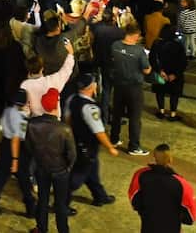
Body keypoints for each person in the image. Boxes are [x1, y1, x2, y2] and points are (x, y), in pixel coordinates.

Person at [25, 88, 76, 233]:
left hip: (42, 168)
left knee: (42, 200)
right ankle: (63, 230)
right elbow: (72, 154)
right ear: (56, 105)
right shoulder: (64, 129)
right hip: (60, 171)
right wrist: (67, 168)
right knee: (60, 204)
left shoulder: (32, 125)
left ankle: (41, 228)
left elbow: (29, 147)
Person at [66, 73, 117, 208]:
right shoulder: (90, 108)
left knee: (92, 170)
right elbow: (98, 131)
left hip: (76, 143)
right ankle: (62, 202)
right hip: (87, 147)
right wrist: (110, 147)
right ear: (92, 87)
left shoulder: (72, 99)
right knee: (77, 177)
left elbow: (68, 120)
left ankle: (100, 196)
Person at [0, 89, 35, 218]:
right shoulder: (21, 118)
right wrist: (15, 160)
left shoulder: (7, 110)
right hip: (17, 150)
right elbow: (16, 140)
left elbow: (1, 127)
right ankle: (31, 209)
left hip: (4, 145)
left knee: (0, 178)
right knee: (24, 180)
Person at [127, 144, 196, 233]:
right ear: (170, 160)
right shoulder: (182, 184)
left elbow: (133, 197)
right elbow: (191, 213)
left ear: (154, 157)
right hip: (171, 225)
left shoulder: (141, 174)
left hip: (148, 221)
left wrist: (142, 211)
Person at [107, 22, 150, 156]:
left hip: (119, 85)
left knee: (117, 113)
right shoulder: (139, 51)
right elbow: (146, 69)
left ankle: (114, 139)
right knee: (135, 117)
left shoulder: (115, 46)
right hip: (134, 88)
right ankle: (134, 146)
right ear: (136, 35)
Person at [150, 23, 187, 121]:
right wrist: (175, 74)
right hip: (174, 75)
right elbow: (183, 62)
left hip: (161, 74)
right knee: (174, 94)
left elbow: (152, 59)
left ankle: (161, 111)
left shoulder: (156, 43)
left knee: (160, 92)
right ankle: (172, 114)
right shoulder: (178, 45)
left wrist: (159, 71)